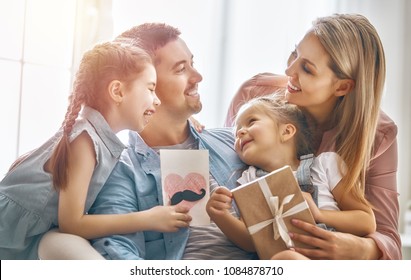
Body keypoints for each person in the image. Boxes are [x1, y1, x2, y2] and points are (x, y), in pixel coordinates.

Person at [38, 23, 255, 260]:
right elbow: (119, 251)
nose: (198, 77)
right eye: (181, 69)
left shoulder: (235, 140)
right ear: (145, 84)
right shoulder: (119, 170)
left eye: (193, 64)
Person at [224, 13, 401, 260]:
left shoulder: (377, 135)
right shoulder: (254, 97)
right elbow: (224, 171)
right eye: (295, 54)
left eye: (307, 68)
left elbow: (387, 236)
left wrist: (360, 249)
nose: (289, 70)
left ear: (342, 87)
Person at [0, 40, 193, 260]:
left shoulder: (97, 138)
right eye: (150, 89)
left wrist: (188, 121)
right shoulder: (85, 140)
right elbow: (72, 223)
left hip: (31, 236)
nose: (157, 101)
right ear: (117, 91)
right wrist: (148, 218)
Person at [207, 93, 377, 259]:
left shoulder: (325, 165)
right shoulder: (249, 180)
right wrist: (221, 216)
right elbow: (251, 242)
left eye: (251, 121)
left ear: (287, 131)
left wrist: (319, 215)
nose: (240, 132)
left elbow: (366, 222)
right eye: (236, 131)